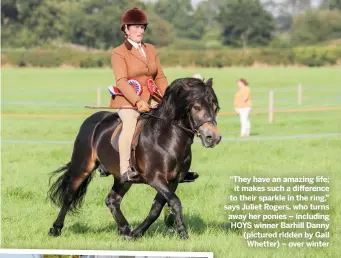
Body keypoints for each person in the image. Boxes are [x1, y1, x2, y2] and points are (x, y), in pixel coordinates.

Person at [99, 7, 199, 182]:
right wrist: (137, 102)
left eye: (142, 27)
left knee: (174, 122)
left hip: (151, 100)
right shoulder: (119, 52)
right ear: (126, 29)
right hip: (127, 101)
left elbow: (159, 76)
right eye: (136, 27)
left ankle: (180, 168)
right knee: (130, 123)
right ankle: (125, 168)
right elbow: (121, 81)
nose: (140, 30)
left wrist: (170, 99)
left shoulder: (151, 49)